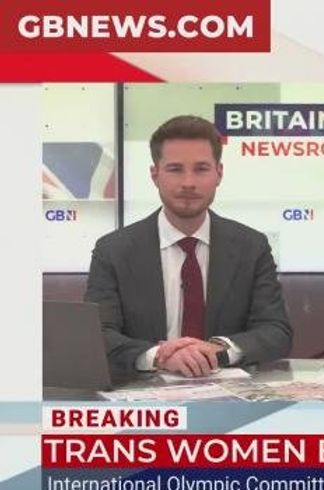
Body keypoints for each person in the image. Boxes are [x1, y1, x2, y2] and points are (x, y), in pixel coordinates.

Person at [85, 115, 293, 378]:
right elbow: (99, 334)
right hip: (144, 394)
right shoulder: (113, 251)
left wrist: (218, 351)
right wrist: (159, 356)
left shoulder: (251, 247)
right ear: (155, 175)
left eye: (201, 169)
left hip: (227, 392)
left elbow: (276, 331)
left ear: (219, 173)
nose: (188, 183)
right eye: (175, 169)